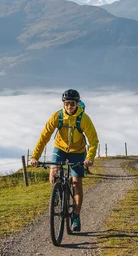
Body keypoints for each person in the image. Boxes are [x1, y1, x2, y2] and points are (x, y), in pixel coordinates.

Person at [29, 89, 99, 232]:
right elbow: (44, 137)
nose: (69, 107)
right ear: (63, 104)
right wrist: (35, 157)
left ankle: (76, 216)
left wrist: (89, 158)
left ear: (77, 104)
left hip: (78, 151)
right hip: (60, 148)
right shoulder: (58, 116)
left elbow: (93, 141)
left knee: (76, 183)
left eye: (72, 104)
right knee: (54, 173)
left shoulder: (84, 119)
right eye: (66, 104)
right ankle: (57, 192)